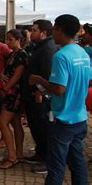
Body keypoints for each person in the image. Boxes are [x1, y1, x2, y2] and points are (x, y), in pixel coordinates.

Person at [29, 14, 90, 185]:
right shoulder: (82, 52)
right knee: (77, 163)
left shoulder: (61, 56)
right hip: (80, 118)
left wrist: (39, 80)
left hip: (63, 119)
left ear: (60, 30)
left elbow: (59, 89)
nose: (52, 33)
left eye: (54, 29)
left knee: (56, 166)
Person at [22, 20, 57, 174]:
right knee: (36, 127)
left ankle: (47, 161)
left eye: (34, 30)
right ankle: (40, 154)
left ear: (43, 32)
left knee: (43, 128)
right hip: (31, 95)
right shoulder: (39, 47)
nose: (31, 32)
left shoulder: (48, 49)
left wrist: (39, 92)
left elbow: (47, 74)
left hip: (40, 97)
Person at [0, 29, 26, 169]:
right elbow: (9, 71)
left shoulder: (21, 54)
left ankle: (12, 156)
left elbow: (17, 75)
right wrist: (2, 75)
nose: (8, 42)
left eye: (11, 39)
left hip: (14, 93)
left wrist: (6, 88)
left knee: (2, 122)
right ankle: (17, 154)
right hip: (11, 91)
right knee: (15, 122)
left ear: (18, 40)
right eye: (7, 39)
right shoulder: (13, 54)